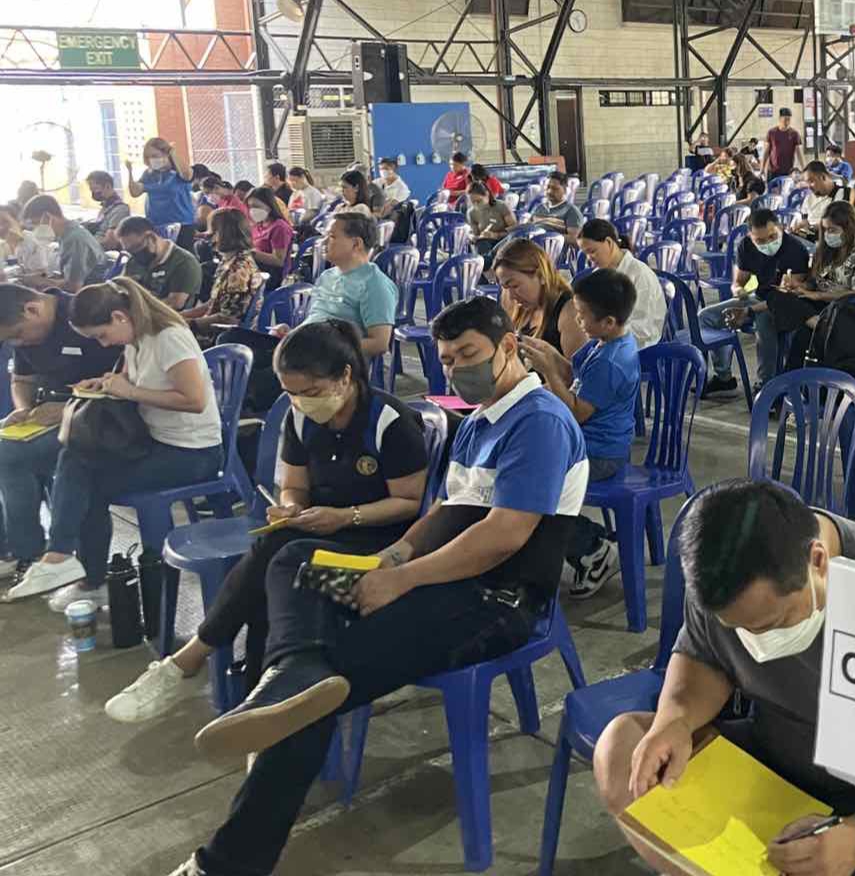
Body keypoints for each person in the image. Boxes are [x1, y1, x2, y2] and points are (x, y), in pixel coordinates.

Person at [169, 296, 587, 876]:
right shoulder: (483, 419)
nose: (455, 368)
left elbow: (503, 538)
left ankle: (227, 862)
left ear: (509, 347)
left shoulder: (537, 422)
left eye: (468, 353)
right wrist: (391, 558)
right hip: (438, 580)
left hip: (492, 602)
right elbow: (444, 513)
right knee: (291, 562)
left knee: (321, 685)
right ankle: (290, 672)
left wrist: (401, 580)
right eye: (445, 358)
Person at [592, 479, 855, 876]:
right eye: (739, 628)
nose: (755, 640)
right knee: (622, 748)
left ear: (817, 561)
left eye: (771, 624)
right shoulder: (724, 572)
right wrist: (675, 720)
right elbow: (704, 656)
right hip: (779, 765)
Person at [104, 320, 430, 721]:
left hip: (375, 553)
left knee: (277, 561)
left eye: (311, 392)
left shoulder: (389, 423)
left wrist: (346, 517)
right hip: (315, 534)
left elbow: (410, 503)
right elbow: (294, 487)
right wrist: (290, 507)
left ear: (345, 376)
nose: (301, 402)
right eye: (291, 393)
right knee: (275, 563)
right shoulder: (301, 417)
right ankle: (259, 699)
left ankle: (195, 667)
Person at [8, 278, 222, 604]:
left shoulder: (169, 338)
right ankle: (64, 558)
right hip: (157, 441)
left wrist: (130, 391)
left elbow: (194, 400)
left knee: (88, 483)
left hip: (192, 453)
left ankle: (84, 574)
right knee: (75, 455)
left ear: (120, 317)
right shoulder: (137, 341)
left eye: (101, 335)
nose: (103, 344)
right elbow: (136, 381)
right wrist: (107, 383)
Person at [521, 269, 640, 596]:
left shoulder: (613, 361)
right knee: (521, 469)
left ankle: (593, 548)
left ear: (610, 321)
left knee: (532, 485)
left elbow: (576, 412)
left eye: (583, 315)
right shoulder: (602, 344)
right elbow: (575, 371)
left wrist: (547, 371)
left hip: (600, 454)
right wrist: (549, 354)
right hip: (584, 444)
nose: (578, 320)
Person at [0, 284, 122, 586]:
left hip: (99, 417)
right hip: (49, 415)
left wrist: (69, 405)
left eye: (17, 334)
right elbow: (21, 380)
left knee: (10, 455)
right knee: (7, 448)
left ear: (33, 309)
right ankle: (21, 549)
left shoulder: (84, 315)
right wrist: (24, 409)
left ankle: (28, 553)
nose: (18, 342)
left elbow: (123, 382)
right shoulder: (26, 335)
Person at [221, 212, 397, 412]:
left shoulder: (374, 285)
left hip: (330, 359)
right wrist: (294, 331)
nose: (323, 242)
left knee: (258, 376)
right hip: (303, 345)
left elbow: (379, 343)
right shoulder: (328, 276)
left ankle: (242, 407)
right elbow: (316, 319)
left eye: (331, 237)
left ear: (355, 244)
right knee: (231, 340)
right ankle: (240, 399)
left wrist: (327, 346)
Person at [700, 207, 810, 395]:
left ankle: (767, 386)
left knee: (764, 321)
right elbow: (739, 280)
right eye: (760, 240)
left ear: (781, 228)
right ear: (751, 237)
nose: (768, 243)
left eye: (773, 237)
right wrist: (738, 289)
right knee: (706, 316)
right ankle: (723, 377)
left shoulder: (796, 250)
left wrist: (750, 312)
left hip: (783, 304)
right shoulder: (746, 246)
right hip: (757, 298)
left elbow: (789, 296)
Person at [782, 202, 855, 395]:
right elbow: (814, 282)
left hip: (849, 314)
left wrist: (819, 295)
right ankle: (818, 325)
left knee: (803, 336)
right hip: (818, 307)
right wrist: (800, 287)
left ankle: (796, 391)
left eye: (833, 229)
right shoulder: (826, 249)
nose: (828, 234)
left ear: (849, 228)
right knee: (780, 300)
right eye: (825, 229)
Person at [577, 219, 666, 347]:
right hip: (606, 338)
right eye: (586, 254)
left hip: (639, 347)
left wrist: (603, 332)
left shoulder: (639, 273)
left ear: (609, 242)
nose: (589, 258)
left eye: (592, 251)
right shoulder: (598, 274)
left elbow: (643, 328)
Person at [495, 237, 585, 360]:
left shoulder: (569, 313)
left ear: (541, 275)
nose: (511, 296)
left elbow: (576, 376)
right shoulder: (518, 304)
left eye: (515, 285)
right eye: (506, 287)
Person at [184, 208, 263, 345]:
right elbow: (213, 303)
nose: (208, 236)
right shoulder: (230, 260)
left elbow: (228, 319)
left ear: (226, 235)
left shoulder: (238, 270)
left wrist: (189, 324)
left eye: (213, 232)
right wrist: (180, 316)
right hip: (217, 328)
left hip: (225, 338)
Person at [18, 195, 104, 294]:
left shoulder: (74, 240)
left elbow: (73, 287)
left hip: (89, 296)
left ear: (47, 217)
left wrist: (41, 281)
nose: (34, 230)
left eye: (35, 224)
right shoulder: (67, 235)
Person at [125, 136, 196, 251]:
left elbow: (187, 174)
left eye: (155, 156)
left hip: (181, 225)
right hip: (157, 225)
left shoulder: (177, 172)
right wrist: (130, 172)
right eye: (148, 157)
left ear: (166, 154)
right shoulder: (149, 174)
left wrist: (173, 153)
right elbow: (135, 192)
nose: (151, 160)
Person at [117, 216, 203, 310]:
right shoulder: (134, 260)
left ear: (152, 237)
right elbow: (121, 287)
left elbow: (175, 303)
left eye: (136, 247)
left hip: (167, 319)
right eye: (129, 250)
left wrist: (137, 309)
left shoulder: (184, 262)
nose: (134, 254)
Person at [247, 185, 295, 289]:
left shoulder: (279, 227)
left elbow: (278, 260)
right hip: (258, 267)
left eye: (257, 206)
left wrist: (251, 253)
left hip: (273, 274)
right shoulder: (259, 224)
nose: (252, 210)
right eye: (250, 206)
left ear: (269, 205)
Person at [466, 182, 515, 269]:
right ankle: (484, 269)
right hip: (486, 244)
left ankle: (486, 268)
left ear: (487, 195)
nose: (476, 205)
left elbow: (515, 230)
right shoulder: (472, 213)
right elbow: (475, 234)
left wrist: (495, 235)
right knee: (480, 244)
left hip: (505, 240)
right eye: (473, 202)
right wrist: (472, 236)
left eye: (479, 201)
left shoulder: (501, 206)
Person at [527, 170, 584, 246]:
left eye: (555, 189)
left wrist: (546, 237)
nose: (550, 191)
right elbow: (527, 228)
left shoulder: (571, 211)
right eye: (547, 187)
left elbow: (575, 239)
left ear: (565, 190)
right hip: (534, 249)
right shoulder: (539, 208)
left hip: (555, 252)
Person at [795, 161, 847, 241]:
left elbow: (838, 223)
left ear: (823, 177)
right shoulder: (809, 198)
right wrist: (803, 223)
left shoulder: (843, 194)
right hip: (809, 237)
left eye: (811, 181)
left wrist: (813, 227)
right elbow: (804, 216)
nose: (809, 187)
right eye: (807, 183)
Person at [85, 170, 131, 248]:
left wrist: (88, 245)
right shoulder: (105, 207)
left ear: (108, 186)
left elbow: (111, 242)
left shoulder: (120, 209)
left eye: (95, 189)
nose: (93, 193)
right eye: (91, 190)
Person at [0, 207, 48, 274]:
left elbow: (42, 274)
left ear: (18, 221)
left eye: (5, 221)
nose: (1, 227)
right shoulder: (3, 245)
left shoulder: (31, 242)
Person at [764, 107, 805, 178]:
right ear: (780, 118)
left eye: (789, 119)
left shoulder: (795, 134)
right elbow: (766, 152)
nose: (787, 122)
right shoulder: (771, 133)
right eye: (785, 119)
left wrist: (804, 169)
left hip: (788, 171)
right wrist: (762, 169)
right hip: (773, 171)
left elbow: (799, 153)